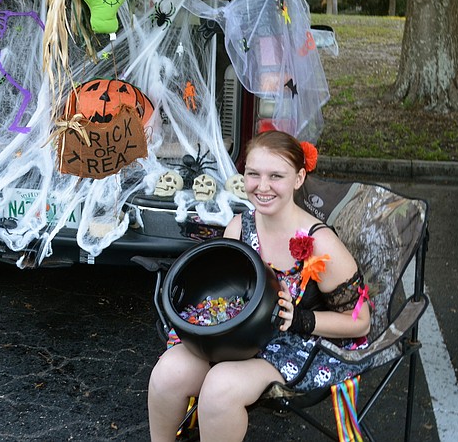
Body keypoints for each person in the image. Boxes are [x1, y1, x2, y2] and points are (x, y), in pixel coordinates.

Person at [147, 130, 372, 442]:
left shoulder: (320, 243)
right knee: (167, 374)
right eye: (253, 174)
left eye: (276, 176)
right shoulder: (239, 227)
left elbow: (360, 322)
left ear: (298, 178)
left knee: (219, 390)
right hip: (236, 336)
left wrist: (302, 319)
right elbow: (225, 290)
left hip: (291, 344)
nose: (262, 186)